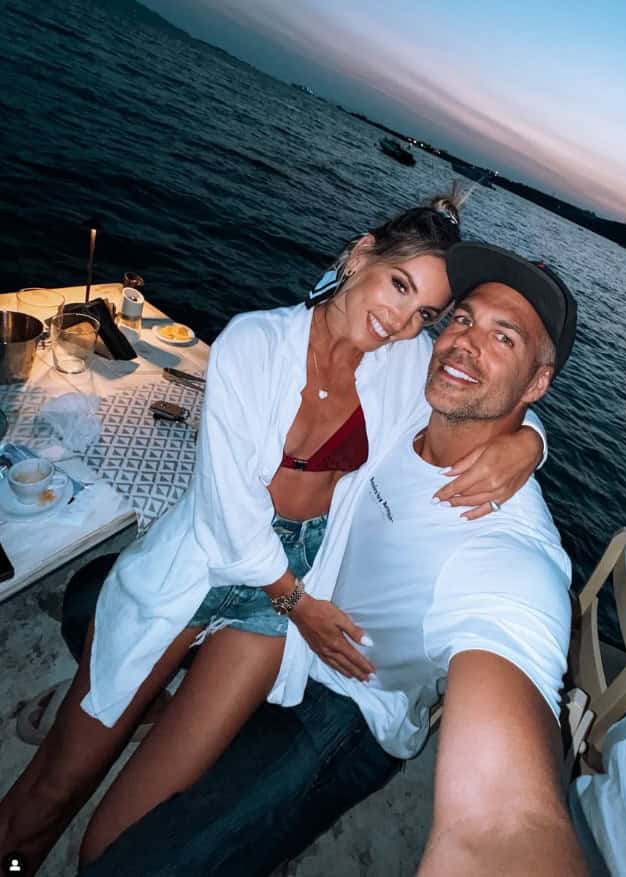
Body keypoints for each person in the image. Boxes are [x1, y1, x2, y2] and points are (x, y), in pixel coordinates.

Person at [0, 201, 548, 874]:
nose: (403, 322)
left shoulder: (402, 364)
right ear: (360, 254)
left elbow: (478, 397)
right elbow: (229, 516)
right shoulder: (252, 343)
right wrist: (298, 603)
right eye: (399, 286)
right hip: (206, 565)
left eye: (426, 314)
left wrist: (529, 441)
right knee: (54, 788)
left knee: (115, 841)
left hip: (276, 605)